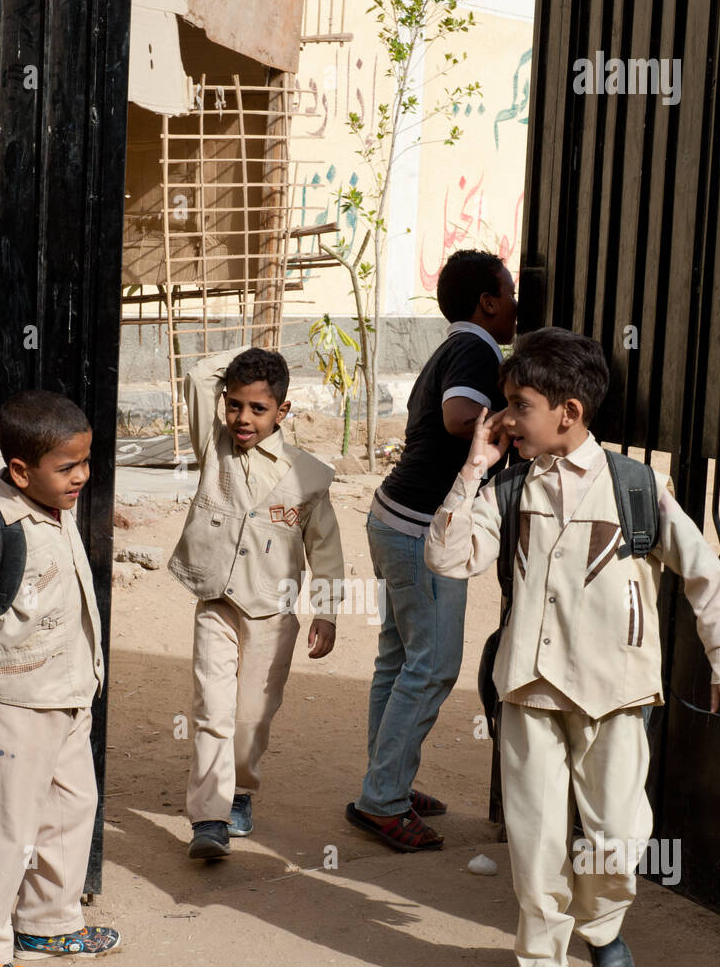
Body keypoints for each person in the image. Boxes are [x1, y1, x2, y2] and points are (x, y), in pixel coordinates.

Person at [425, 327, 720, 967]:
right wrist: (474, 465)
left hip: (616, 694)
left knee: (618, 838)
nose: (504, 418)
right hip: (531, 692)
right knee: (538, 838)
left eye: (518, 405)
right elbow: (448, 560)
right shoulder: (508, 484)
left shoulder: (636, 488)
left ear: (567, 413)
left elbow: (703, 575)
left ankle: (601, 929)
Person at [0, 391, 120, 967]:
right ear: (21, 471)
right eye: (68, 467)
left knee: (70, 812)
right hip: (9, 707)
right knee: (1, 831)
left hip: (68, 697)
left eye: (86, 461)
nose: (83, 477)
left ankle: (49, 920)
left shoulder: (57, 511)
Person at [347, 249, 518, 852]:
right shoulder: (476, 348)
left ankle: (385, 780)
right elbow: (456, 418)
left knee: (398, 659)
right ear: (487, 302)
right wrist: (518, 418)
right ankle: (383, 800)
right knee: (434, 664)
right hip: (421, 530)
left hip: (394, 519)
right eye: (510, 292)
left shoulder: (455, 345)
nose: (518, 303)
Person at [169, 347, 345, 859]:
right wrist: (249, 356)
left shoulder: (309, 475)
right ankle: (209, 818)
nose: (242, 418)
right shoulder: (213, 444)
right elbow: (200, 372)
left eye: (258, 408)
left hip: (272, 614)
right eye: (234, 405)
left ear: (282, 412)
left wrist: (327, 612)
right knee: (211, 711)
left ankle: (241, 789)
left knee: (250, 719)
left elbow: (328, 553)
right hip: (216, 602)